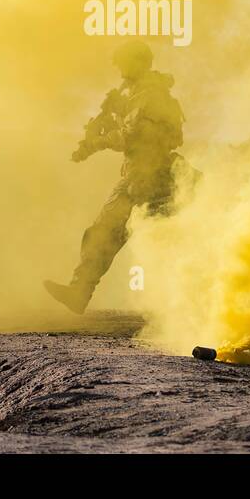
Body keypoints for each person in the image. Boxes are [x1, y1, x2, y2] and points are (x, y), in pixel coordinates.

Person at [44, 40, 187, 314]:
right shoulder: (139, 94)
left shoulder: (151, 94)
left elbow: (133, 135)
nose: (119, 69)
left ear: (138, 62)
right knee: (107, 234)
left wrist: (97, 142)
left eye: (123, 62)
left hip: (149, 176)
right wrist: (112, 115)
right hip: (142, 174)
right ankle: (80, 291)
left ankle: (81, 291)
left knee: (113, 234)